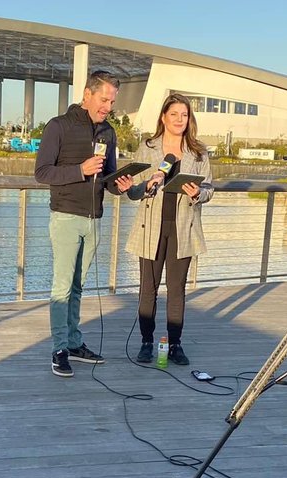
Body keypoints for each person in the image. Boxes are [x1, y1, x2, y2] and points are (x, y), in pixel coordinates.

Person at [34, 70, 127, 378]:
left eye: (112, 101)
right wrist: (80, 169)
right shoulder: (58, 126)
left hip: (94, 219)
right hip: (65, 217)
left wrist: (121, 184)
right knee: (61, 287)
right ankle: (59, 348)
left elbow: (109, 180)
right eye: (104, 99)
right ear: (87, 94)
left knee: (78, 285)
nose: (108, 107)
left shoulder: (108, 133)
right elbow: (43, 173)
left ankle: (74, 342)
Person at [116, 93, 213, 366]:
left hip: (183, 228)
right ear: (163, 117)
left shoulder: (199, 152)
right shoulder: (148, 147)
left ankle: (175, 345)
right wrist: (136, 188)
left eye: (184, 115)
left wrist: (197, 193)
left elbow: (209, 189)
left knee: (177, 289)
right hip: (151, 228)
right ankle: (147, 342)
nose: (180, 120)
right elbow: (134, 191)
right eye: (174, 114)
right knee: (148, 288)